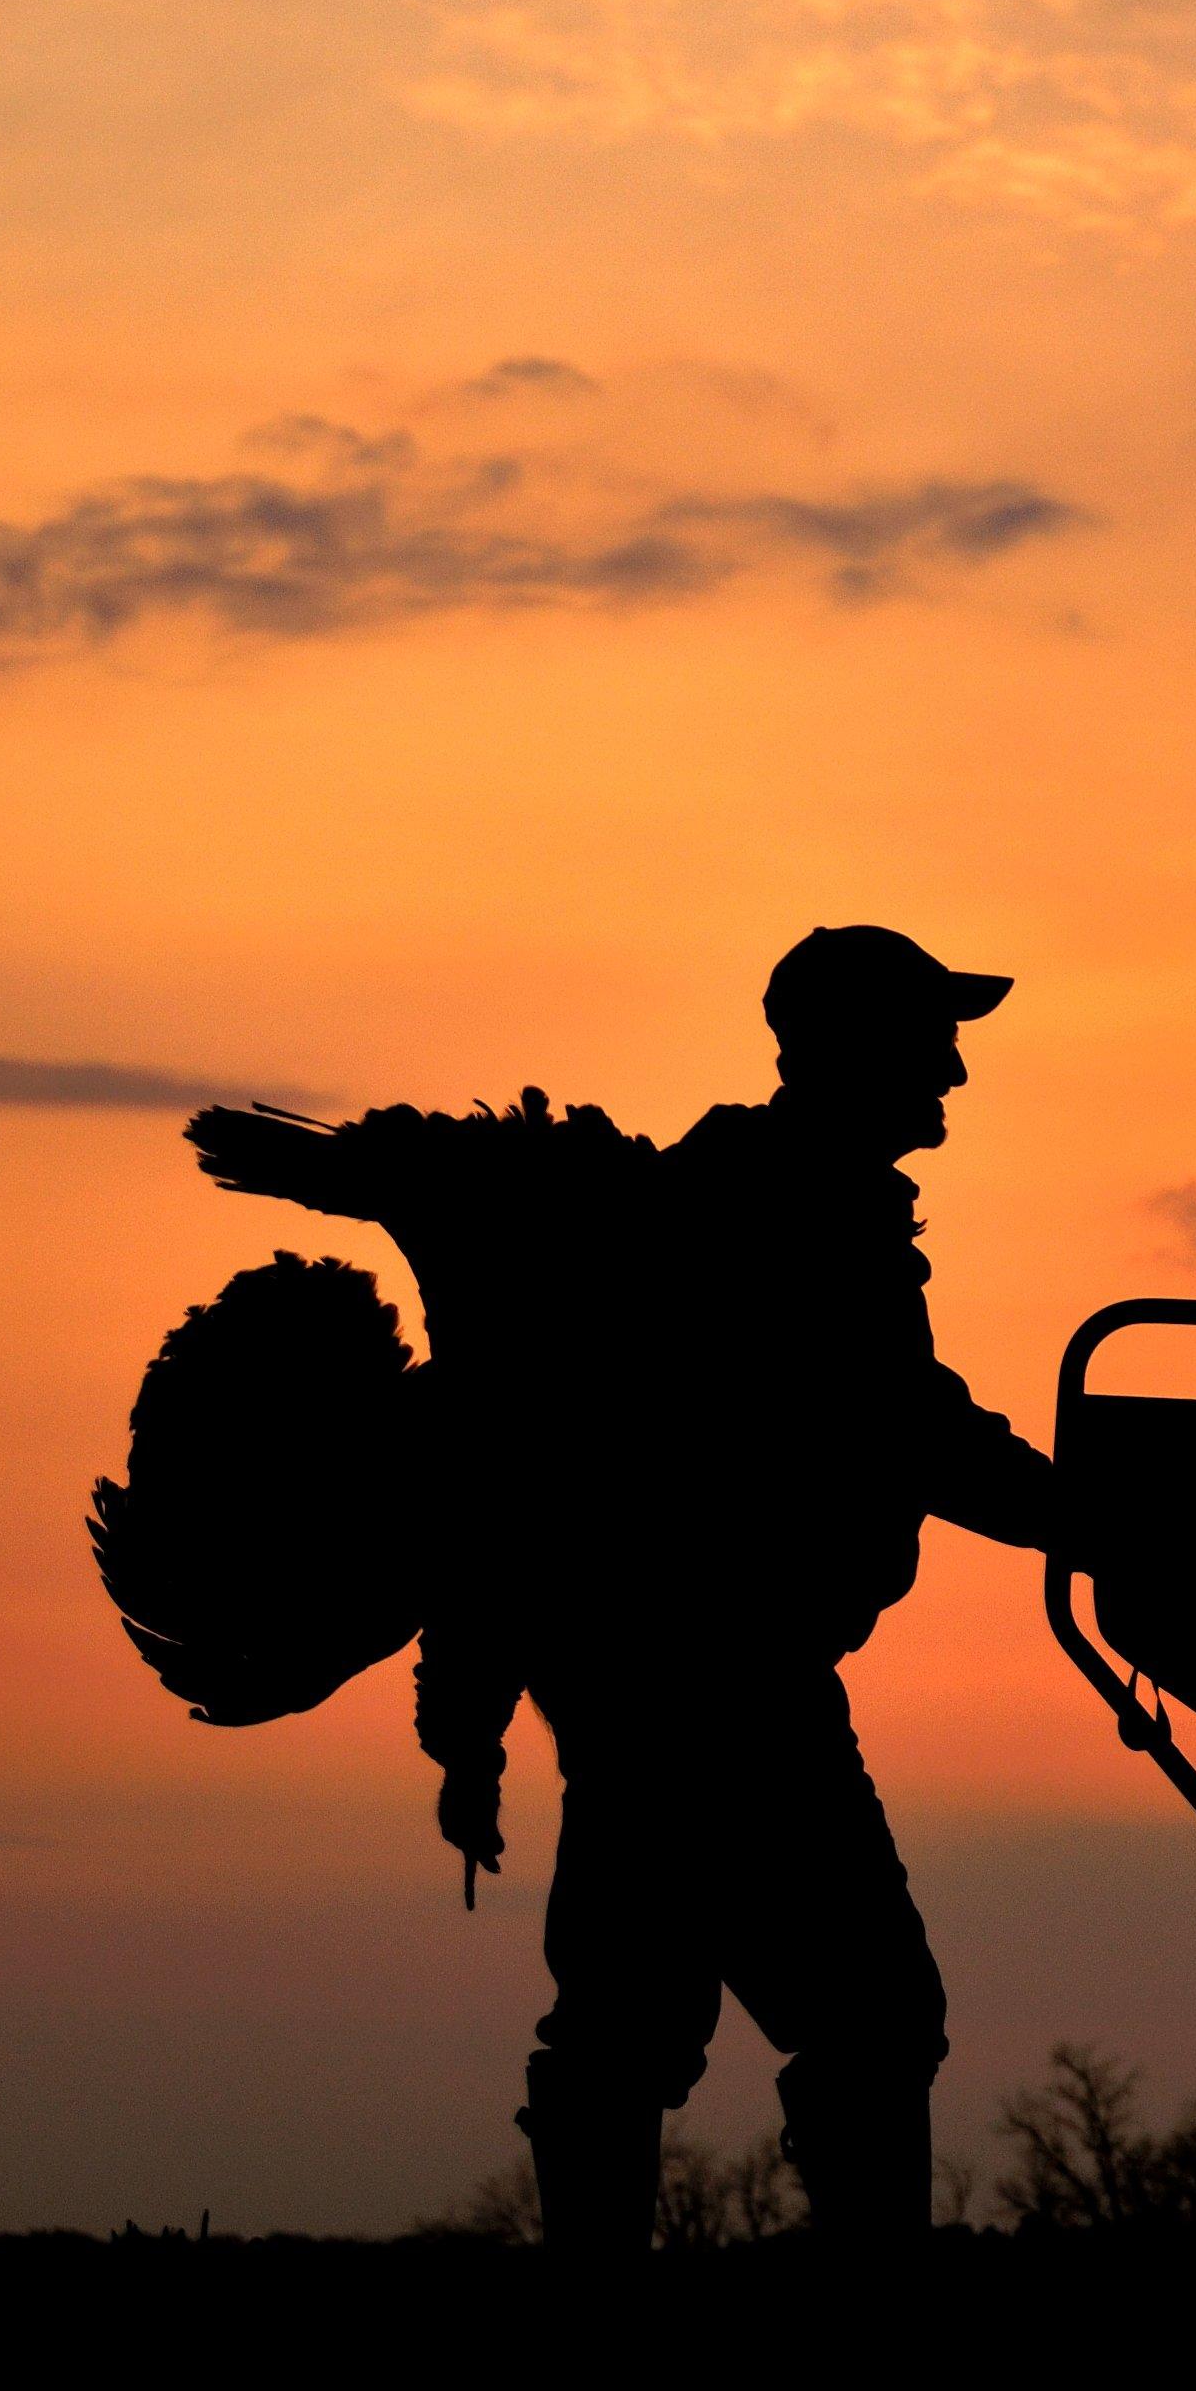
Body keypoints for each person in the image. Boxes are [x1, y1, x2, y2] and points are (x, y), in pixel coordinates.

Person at [438, 925, 1057, 2249]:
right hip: (720, 1687)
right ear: (855, 1051)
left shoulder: (752, 1201)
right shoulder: (793, 1218)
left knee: (628, 2023)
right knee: (863, 2016)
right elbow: (905, 1425)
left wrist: (483, 1716)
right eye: (930, 1041)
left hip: (645, 1681)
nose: (952, 1072)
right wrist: (1093, 1518)